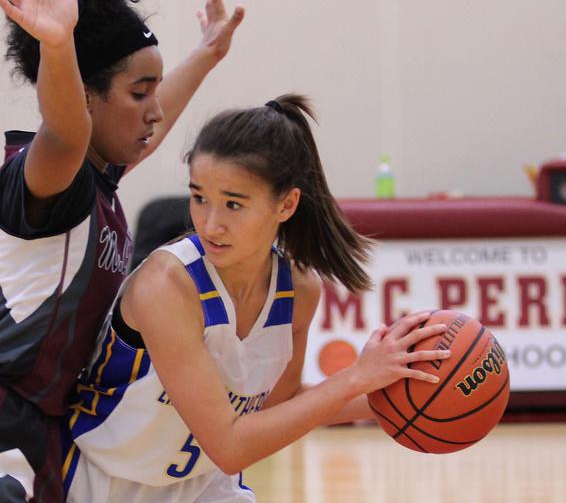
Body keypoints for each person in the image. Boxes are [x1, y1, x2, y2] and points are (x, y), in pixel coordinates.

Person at [0, 0, 243, 502]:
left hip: (38, 431)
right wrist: (57, 48)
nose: (154, 109)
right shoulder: (50, 173)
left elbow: (137, 135)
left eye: (155, 90)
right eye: (139, 92)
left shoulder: (100, 180)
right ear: (83, 97)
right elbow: (68, 130)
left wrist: (206, 53)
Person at [63, 95, 452, 502]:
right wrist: (355, 377)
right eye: (199, 198)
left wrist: (400, 395)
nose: (211, 223)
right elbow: (230, 446)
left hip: (205, 488)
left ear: (286, 204)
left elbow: (276, 408)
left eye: (233, 204)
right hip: (100, 485)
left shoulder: (299, 290)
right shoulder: (166, 287)